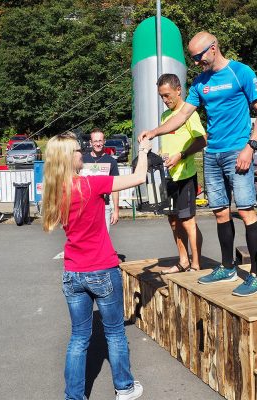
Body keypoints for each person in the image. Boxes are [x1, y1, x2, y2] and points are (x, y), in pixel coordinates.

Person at [139, 31, 257, 297]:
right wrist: (154, 132)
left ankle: (256, 274)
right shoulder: (200, 83)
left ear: (213, 48)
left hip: (238, 152)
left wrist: (251, 146)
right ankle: (227, 266)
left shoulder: (240, 72)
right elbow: (183, 115)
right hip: (213, 154)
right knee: (220, 212)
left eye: (199, 57)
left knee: (245, 212)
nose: (197, 62)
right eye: (193, 58)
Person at [41, 131, 151, 400]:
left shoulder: (55, 191)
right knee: (114, 333)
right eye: (77, 150)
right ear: (69, 158)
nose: (82, 153)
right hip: (101, 268)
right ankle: (124, 387)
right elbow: (138, 178)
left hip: (73, 272)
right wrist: (145, 150)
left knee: (79, 338)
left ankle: (73, 396)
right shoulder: (90, 185)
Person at [155, 73, 207, 274]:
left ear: (179, 90)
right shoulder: (165, 116)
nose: (165, 100)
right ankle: (183, 260)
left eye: (167, 95)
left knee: (188, 220)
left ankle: (196, 264)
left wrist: (181, 155)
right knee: (174, 220)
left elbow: (202, 140)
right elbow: (168, 143)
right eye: (161, 96)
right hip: (169, 177)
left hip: (185, 175)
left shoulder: (190, 114)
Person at [80, 128, 120, 232]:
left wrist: (116, 210)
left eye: (100, 141)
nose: (98, 144)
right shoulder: (82, 160)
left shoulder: (111, 161)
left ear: (104, 141)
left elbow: (115, 187)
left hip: (104, 207)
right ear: (90, 142)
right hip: (85, 207)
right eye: (95, 141)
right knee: (86, 240)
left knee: (103, 239)